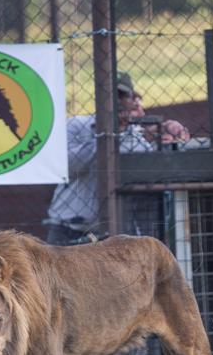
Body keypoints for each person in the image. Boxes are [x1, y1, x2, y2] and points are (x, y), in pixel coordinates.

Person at [46, 71, 190, 245]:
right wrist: (106, 136)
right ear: (99, 97)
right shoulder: (77, 125)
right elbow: (66, 165)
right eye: (110, 95)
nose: (116, 101)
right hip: (68, 229)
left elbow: (151, 172)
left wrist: (165, 132)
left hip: (115, 233)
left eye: (122, 95)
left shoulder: (136, 137)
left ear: (132, 100)